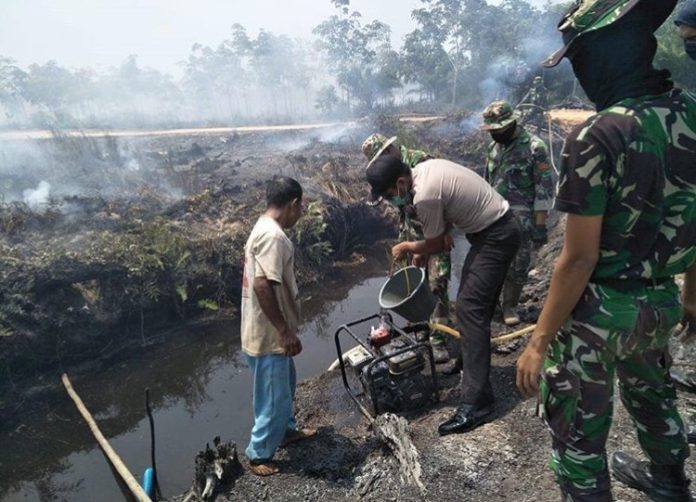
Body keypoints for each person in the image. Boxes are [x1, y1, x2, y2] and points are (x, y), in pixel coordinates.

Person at [516, 0, 696, 500]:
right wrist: (691, 295)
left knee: (579, 432)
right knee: (653, 396)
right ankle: (670, 485)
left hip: (600, 313)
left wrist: (538, 340)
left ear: (603, 56)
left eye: (580, 59)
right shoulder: (691, 112)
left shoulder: (599, 134)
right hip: (661, 301)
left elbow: (578, 258)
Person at [366, 155, 521, 435]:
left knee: (469, 308)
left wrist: (410, 247)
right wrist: (424, 253)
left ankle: (478, 403)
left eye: (390, 196)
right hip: (492, 231)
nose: (391, 202)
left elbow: (436, 241)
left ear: (400, 183)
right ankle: (468, 364)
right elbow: (443, 222)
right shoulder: (424, 171)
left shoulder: (424, 195)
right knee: (471, 305)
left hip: (497, 235)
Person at [241, 176, 316, 476]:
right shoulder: (274, 237)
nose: (300, 214)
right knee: (273, 397)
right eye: (301, 208)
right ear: (293, 204)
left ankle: (286, 430)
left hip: (262, 330)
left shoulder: (262, 227)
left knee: (283, 387)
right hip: (270, 336)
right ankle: (258, 454)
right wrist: (284, 331)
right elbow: (262, 285)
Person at [362, 133, 451, 363]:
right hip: (411, 234)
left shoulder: (422, 163)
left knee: (436, 284)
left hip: (435, 234)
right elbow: (405, 210)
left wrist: (433, 242)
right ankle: (421, 330)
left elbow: (444, 205)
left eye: (382, 157)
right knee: (411, 287)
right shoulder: (391, 178)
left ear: (391, 150)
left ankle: (439, 341)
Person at [481, 100, 554, 326]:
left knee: (519, 263)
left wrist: (540, 225)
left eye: (499, 129)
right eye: (492, 130)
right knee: (494, 260)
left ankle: (510, 304)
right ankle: (491, 303)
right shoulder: (494, 148)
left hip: (523, 217)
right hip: (495, 216)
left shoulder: (535, 146)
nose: (496, 134)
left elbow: (544, 188)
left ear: (512, 123)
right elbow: (486, 182)